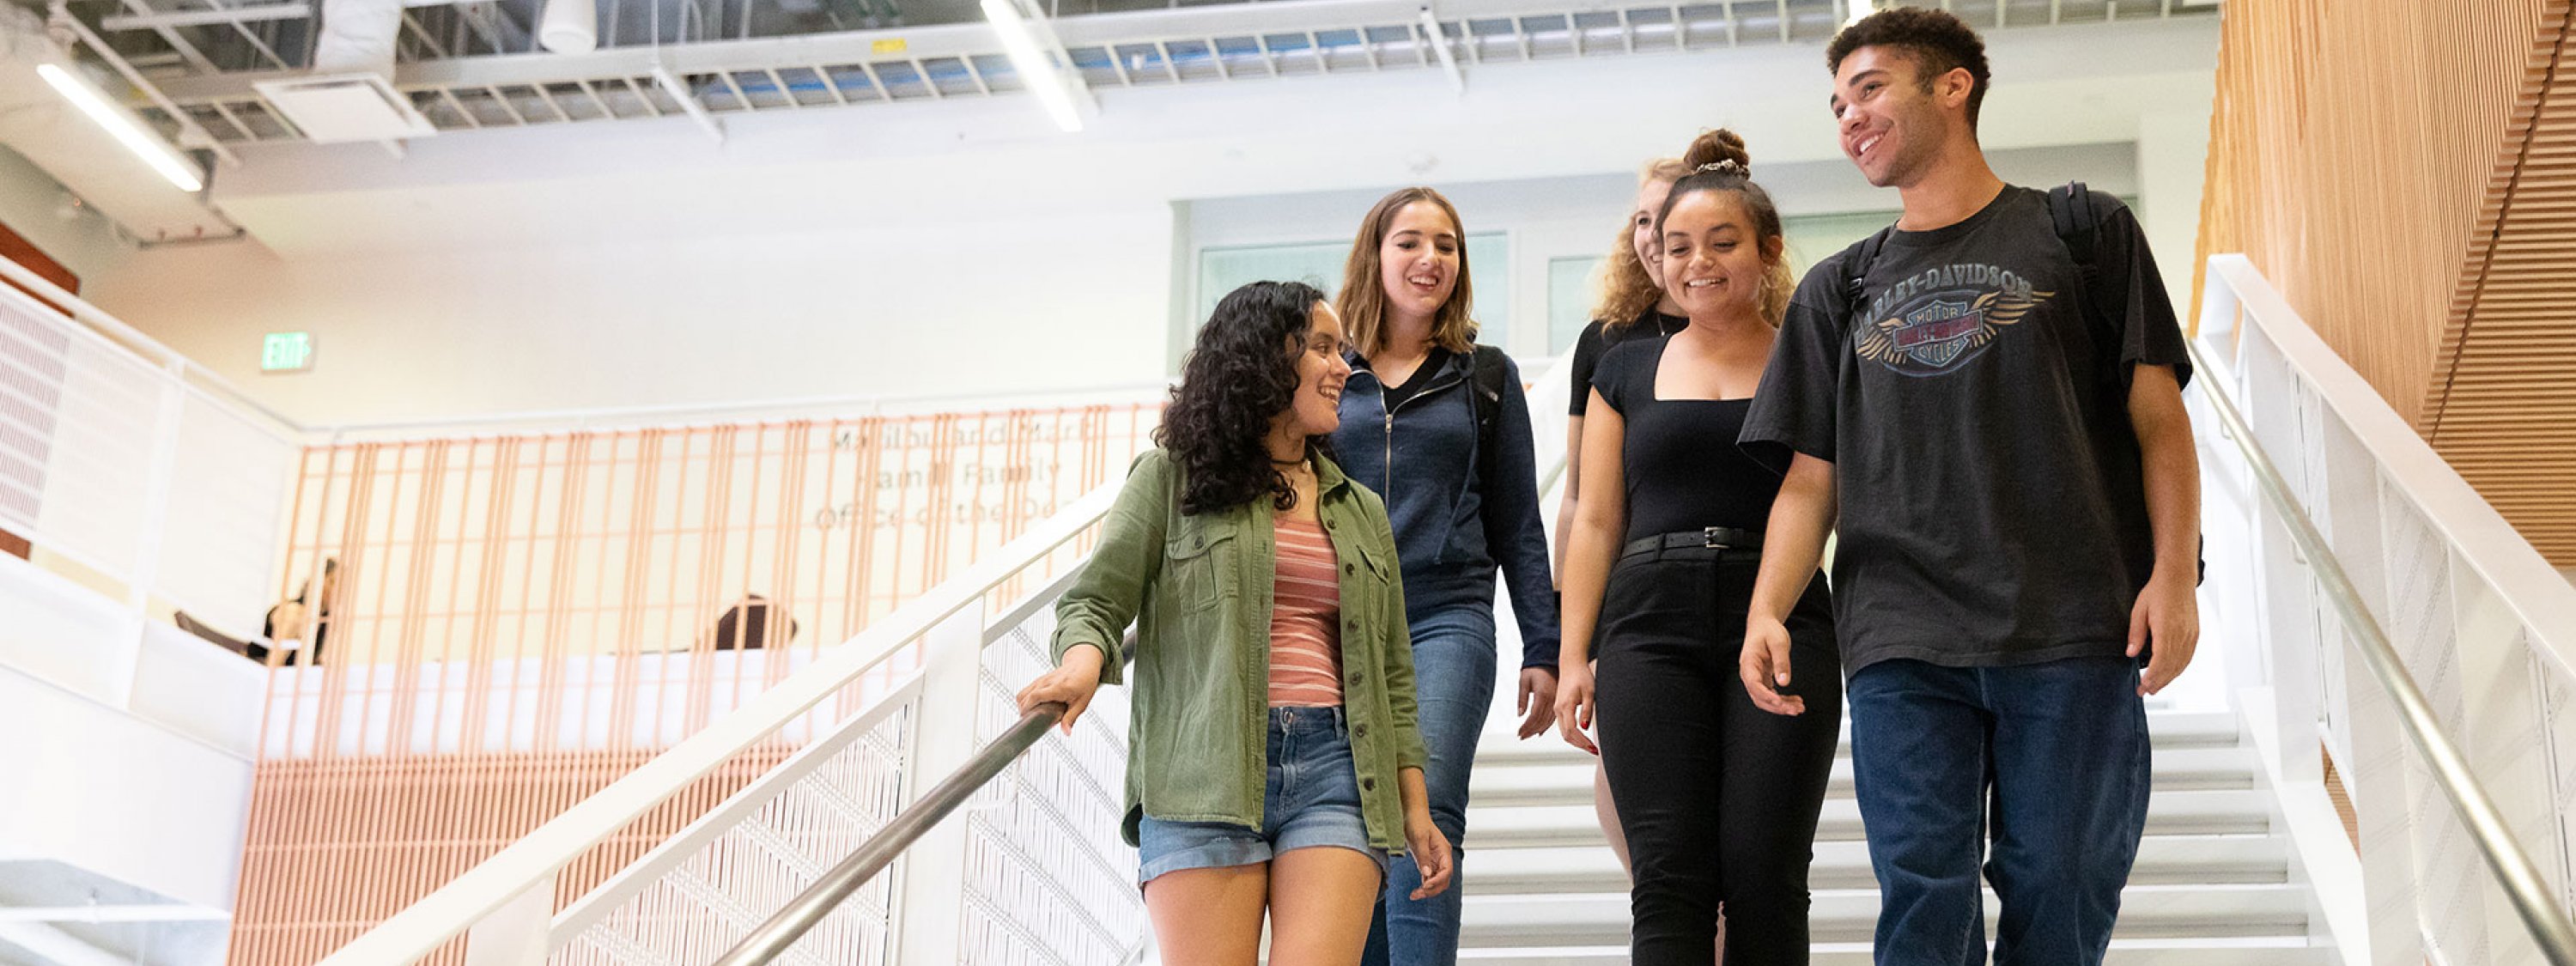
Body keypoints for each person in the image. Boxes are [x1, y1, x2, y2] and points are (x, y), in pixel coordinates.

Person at [1737, 9, 2202, 964]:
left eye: (1868, 90)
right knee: (1922, 894)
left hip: (2073, 621)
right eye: (1835, 106)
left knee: (2063, 885)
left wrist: (2176, 575)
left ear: (1953, 86)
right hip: (1901, 633)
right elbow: (1807, 480)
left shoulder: (2084, 232)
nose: (1849, 119)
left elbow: (2161, 421)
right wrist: (1768, 607)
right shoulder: (1840, 287)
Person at [1017, 280, 1454, 966]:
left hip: (1339, 769)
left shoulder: (1360, 507)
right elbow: (1096, 602)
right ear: (1263, 358)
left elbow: (1394, 676)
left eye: (1343, 351)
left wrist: (1417, 807)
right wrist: (1081, 663)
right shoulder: (1171, 477)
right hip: (1202, 773)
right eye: (1322, 348)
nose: (1345, 367)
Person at [1554, 131, 1840, 965]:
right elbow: (1596, 520)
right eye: (1677, 246)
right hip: (1647, 627)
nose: (1696, 262)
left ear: (1768, 250)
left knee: (1765, 872)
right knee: (1669, 878)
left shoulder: (1809, 357)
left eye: (1722, 243)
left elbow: (1818, 489)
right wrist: (1574, 654)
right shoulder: (1622, 369)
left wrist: (1770, 609)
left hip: (1783, 614)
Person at [1326, 186, 1561, 966]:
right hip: (1339, 621)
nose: (1431, 259)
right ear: (1376, 254)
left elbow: (1519, 521)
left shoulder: (1483, 377)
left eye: (1448, 245)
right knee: (1352, 820)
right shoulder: (1330, 374)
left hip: (1446, 616)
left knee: (1428, 809)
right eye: (1411, 242)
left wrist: (1545, 645)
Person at [1552, 155, 1696, 887]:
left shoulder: (1766, 333)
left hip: (1726, 588)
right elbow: (1581, 500)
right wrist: (1567, 634)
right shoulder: (1607, 341)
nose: (1651, 235)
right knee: (1645, 826)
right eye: (1641, 219)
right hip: (1627, 601)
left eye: (1665, 217)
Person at [252, 557, 337, 665]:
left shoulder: (324, 621)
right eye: (332, 582)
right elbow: (273, 665)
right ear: (317, 580)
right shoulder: (294, 613)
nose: (337, 590)